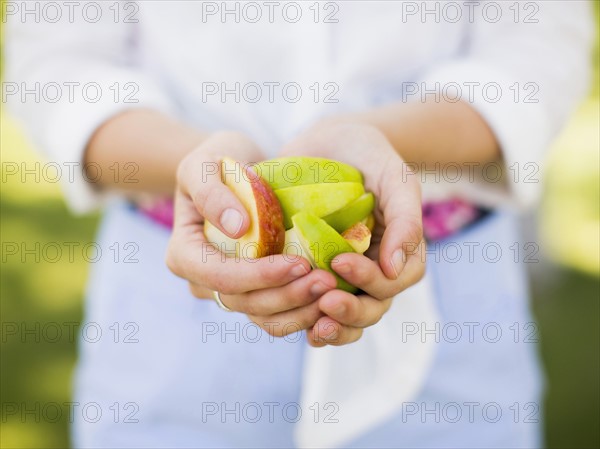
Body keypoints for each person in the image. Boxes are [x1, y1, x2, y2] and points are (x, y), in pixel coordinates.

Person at [5, 1, 593, 447]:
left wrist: (387, 139)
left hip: (448, 306)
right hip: (170, 311)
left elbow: (538, 54)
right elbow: (57, 62)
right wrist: (198, 164)